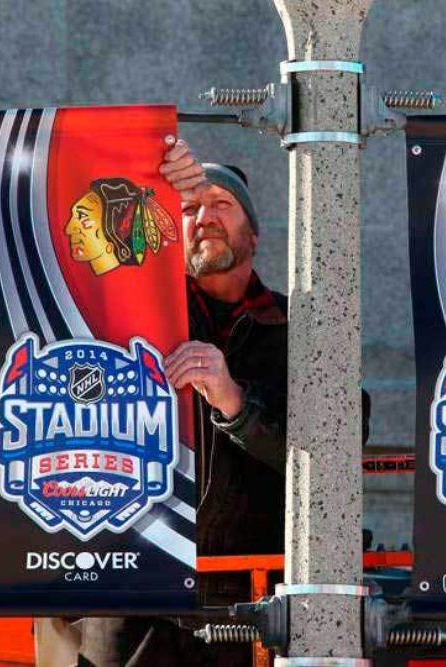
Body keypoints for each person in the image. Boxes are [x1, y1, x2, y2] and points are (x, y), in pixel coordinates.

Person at [75, 141, 369, 666]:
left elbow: (338, 452)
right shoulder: (133, 319)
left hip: (253, 604)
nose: (204, 217)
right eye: (189, 210)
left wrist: (236, 403)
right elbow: (81, 226)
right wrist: (142, 165)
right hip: (136, 596)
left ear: (253, 233)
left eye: (222, 204)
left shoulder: (304, 331)